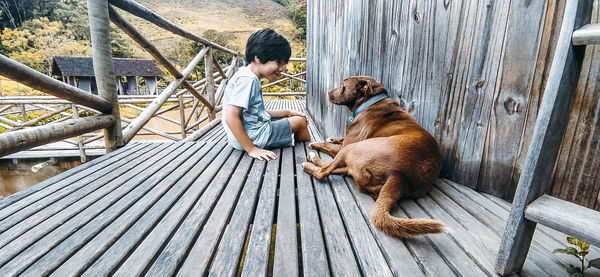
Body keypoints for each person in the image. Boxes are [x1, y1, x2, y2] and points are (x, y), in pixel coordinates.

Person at [222, 28, 311, 161]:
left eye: (284, 64)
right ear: (258, 58)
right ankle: (305, 153)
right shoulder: (249, 80)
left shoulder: (244, 74)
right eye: (278, 62)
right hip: (255, 138)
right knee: (301, 121)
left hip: (245, 137)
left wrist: (286, 112)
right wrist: (251, 149)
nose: (283, 69)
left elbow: (255, 112)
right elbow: (231, 116)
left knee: (292, 118)